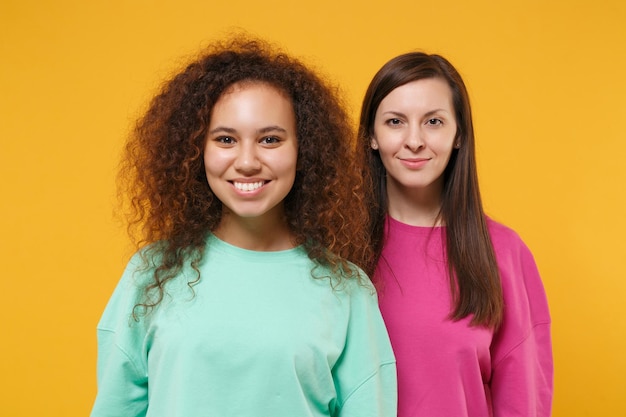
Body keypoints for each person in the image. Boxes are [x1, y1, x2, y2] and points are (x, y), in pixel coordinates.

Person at [90, 37, 396, 417]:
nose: (247, 161)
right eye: (225, 139)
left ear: (305, 151)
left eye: (270, 139)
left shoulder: (346, 290)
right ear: (195, 149)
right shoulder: (149, 275)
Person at [357, 51, 553, 416]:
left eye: (433, 121)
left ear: (459, 133)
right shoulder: (339, 245)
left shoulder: (504, 252)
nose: (414, 140)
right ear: (372, 135)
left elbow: (523, 400)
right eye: (395, 121)